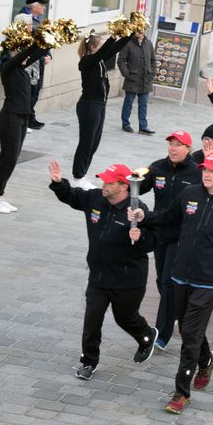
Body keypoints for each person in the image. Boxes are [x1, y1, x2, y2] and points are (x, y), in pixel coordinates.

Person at [130, 152, 213, 414]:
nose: (207, 174)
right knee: (189, 328)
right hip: (180, 273)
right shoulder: (191, 193)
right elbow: (168, 216)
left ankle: (181, 392)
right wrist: (145, 218)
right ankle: (207, 359)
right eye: (204, 169)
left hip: (209, 280)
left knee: (189, 335)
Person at [48, 161, 159, 380]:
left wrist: (141, 237)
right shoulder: (95, 198)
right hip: (99, 276)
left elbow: (153, 242)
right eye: (103, 180)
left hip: (128, 279)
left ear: (123, 186)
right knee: (92, 320)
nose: (104, 184)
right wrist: (59, 183)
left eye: (109, 182)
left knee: (125, 318)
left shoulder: (136, 209)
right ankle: (88, 362)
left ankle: (146, 334)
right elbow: (72, 196)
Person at [138, 131, 200, 349]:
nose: (173, 148)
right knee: (161, 282)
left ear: (188, 149)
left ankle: (161, 334)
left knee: (167, 282)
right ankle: (173, 311)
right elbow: (137, 187)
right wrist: (128, 182)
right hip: (160, 232)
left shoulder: (196, 172)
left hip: (182, 236)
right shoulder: (157, 168)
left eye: (179, 145)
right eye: (171, 144)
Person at [0, 24, 51, 212]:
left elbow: (37, 53)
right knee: (8, 158)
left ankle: (0, 194)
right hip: (9, 118)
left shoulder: (23, 68)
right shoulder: (8, 67)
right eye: (21, 50)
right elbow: (25, 54)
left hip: (21, 118)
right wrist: (31, 44)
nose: (25, 55)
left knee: (12, 159)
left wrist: (50, 38)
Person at [71, 30, 132, 190]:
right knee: (86, 142)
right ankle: (77, 177)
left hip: (99, 105)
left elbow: (115, 48)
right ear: (92, 48)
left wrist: (130, 33)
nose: (102, 48)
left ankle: (82, 174)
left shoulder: (98, 59)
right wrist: (112, 38)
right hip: (89, 105)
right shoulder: (86, 61)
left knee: (94, 143)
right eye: (99, 45)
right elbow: (105, 51)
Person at [19, 0, 50, 130]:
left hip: (40, 62)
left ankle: (30, 117)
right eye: (42, 5)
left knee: (35, 92)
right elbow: (29, 46)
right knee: (29, 93)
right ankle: (27, 119)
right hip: (31, 63)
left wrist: (48, 55)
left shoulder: (40, 21)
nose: (44, 7)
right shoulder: (26, 22)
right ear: (35, 7)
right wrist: (42, 57)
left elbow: (45, 41)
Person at [118, 28, 157, 135]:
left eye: (143, 30)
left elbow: (153, 60)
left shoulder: (148, 43)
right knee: (128, 103)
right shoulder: (128, 44)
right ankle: (126, 124)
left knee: (143, 104)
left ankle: (143, 127)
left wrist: (152, 72)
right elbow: (121, 61)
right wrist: (127, 74)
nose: (141, 32)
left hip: (146, 80)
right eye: (139, 30)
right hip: (132, 79)